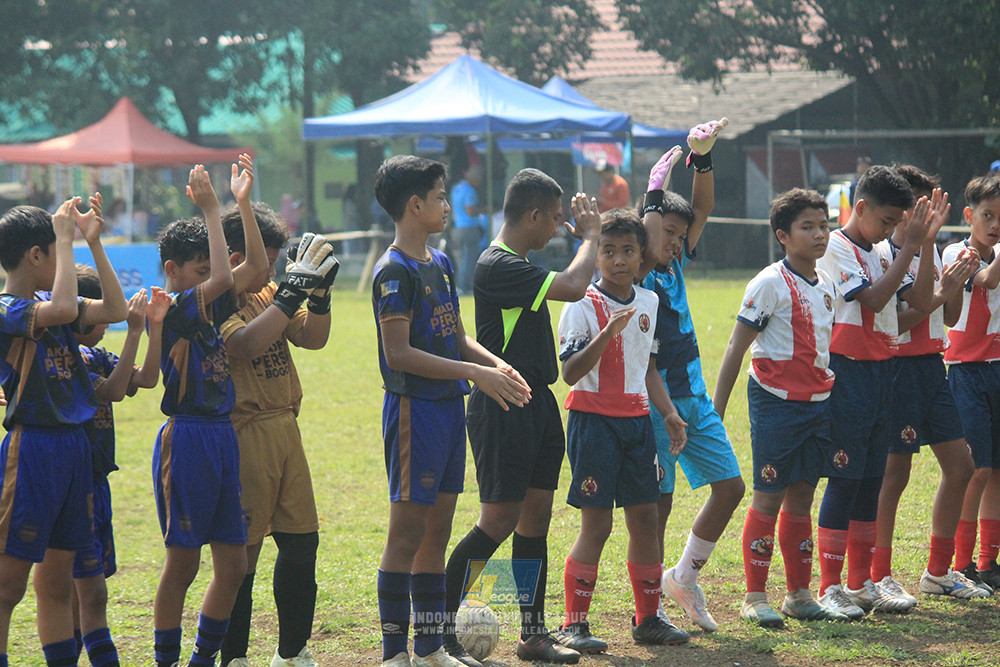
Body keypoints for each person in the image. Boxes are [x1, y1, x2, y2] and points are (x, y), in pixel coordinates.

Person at [371, 155, 531, 667]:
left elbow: (454, 335)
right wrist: (474, 375)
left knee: (438, 530)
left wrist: (494, 364)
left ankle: (430, 647)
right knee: (407, 533)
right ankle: (395, 652)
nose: (446, 204)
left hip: (445, 411)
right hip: (413, 414)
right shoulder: (392, 271)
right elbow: (399, 354)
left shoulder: (439, 262)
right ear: (415, 205)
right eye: (440, 197)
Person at [442, 169, 605, 666]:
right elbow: (577, 285)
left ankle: (532, 635)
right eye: (554, 219)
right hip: (503, 405)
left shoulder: (520, 262)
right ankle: (440, 630)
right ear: (532, 215)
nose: (559, 228)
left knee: (534, 521)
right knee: (498, 520)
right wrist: (593, 235)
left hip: (537, 403)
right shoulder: (497, 265)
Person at [0, 194, 129, 666]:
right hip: (33, 448)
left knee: (57, 583)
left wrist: (92, 244)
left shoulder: (52, 302)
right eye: (56, 249)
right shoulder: (8, 307)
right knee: (8, 586)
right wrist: (63, 235)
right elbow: (58, 310)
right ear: (38, 254)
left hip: (74, 449)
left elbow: (114, 310)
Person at [151, 155, 269, 667]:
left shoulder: (213, 302)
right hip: (188, 436)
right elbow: (224, 274)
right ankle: (166, 660)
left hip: (222, 434)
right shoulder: (172, 308)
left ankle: (203, 659)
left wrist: (242, 204)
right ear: (175, 272)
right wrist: (211, 208)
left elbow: (258, 269)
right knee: (183, 563)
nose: (212, 276)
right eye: (198, 270)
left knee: (234, 562)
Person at [554, 210, 689, 653]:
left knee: (646, 520)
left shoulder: (647, 302)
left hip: (637, 423)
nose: (617, 260)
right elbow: (571, 373)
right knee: (598, 524)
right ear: (595, 257)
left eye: (627, 251)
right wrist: (606, 334)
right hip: (593, 423)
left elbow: (648, 367)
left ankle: (648, 618)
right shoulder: (580, 304)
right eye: (607, 251)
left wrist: (667, 412)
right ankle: (574, 624)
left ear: (639, 256)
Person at [714, 188, 849, 627]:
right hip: (775, 404)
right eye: (807, 227)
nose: (819, 234)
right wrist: (716, 408)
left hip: (818, 405)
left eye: (824, 226)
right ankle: (754, 595)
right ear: (783, 236)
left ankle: (799, 594)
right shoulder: (769, 282)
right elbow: (736, 346)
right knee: (768, 496)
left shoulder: (826, 283)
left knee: (803, 496)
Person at [637, 119, 745, 634]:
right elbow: (656, 226)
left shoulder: (675, 264)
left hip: (693, 398)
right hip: (654, 404)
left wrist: (701, 158)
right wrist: (655, 193)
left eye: (681, 237)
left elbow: (700, 209)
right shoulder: (634, 271)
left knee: (729, 487)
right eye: (668, 234)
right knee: (658, 505)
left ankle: (684, 576)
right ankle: (650, 602)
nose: (676, 243)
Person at [218, 204, 337, 667]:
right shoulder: (217, 303)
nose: (269, 271)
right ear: (233, 258)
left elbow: (313, 338)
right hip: (244, 432)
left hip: (286, 426)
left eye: (272, 263)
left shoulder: (268, 293)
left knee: (301, 541)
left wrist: (320, 296)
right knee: (242, 556)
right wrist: (289, 294)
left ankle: (292, 651)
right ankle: (234, 656)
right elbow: (244, 345)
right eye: (263, 261)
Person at [813, 165, 932, 619]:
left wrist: (918, 248)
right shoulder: (839, 250)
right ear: (859, 208)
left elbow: (916, 306)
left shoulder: (884, 250)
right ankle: (829, 585)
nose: (891, 230)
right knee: (845, 477)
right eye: (886, 221)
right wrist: (907, 249)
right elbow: (875, 300)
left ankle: (861, 584)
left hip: (885, 370)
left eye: (897, 222)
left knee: (870, 480)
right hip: (848, 373)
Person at [873, 166, 984, 601]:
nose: (923, 215)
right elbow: (900, 322)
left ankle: (938, 573)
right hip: (898, 369)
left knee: (962, 466)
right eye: (915, 208)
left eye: (929, 207)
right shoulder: (885, 255)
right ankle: (879, 575)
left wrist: (953, 281)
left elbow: (949, 318)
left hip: (931, 369)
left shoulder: (931, 251)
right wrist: (939, 291)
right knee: (895, 473)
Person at [56, 265, 168, 666]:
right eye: (102, 317)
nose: (108, 325)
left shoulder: (94, 353)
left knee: (83, 591)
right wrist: (134, 333)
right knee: (88, 593)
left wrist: (153, 329)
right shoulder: (66, 356)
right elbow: (113, 390)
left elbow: (149, 379)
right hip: (74, 485)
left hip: (96, 483)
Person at [942, 172, 1000, 593]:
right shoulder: (955, 253)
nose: (995, 224)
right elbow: (986, 281)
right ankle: (960, 564)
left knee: (996, 471)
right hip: (965, 370)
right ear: (969, 215)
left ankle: (987, 563)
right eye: (988, 215)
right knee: (977, 469)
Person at [450, 165, 488, 294]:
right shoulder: (470, 191)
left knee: (462, 259)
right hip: (469, 228)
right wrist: (483, 209)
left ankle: (460, 284)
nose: (480, 183)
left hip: (458, 227)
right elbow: (470, 210)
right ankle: (465, 287)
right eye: (479, 180)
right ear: (474, 179)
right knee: (469, 259)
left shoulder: (456, 188)